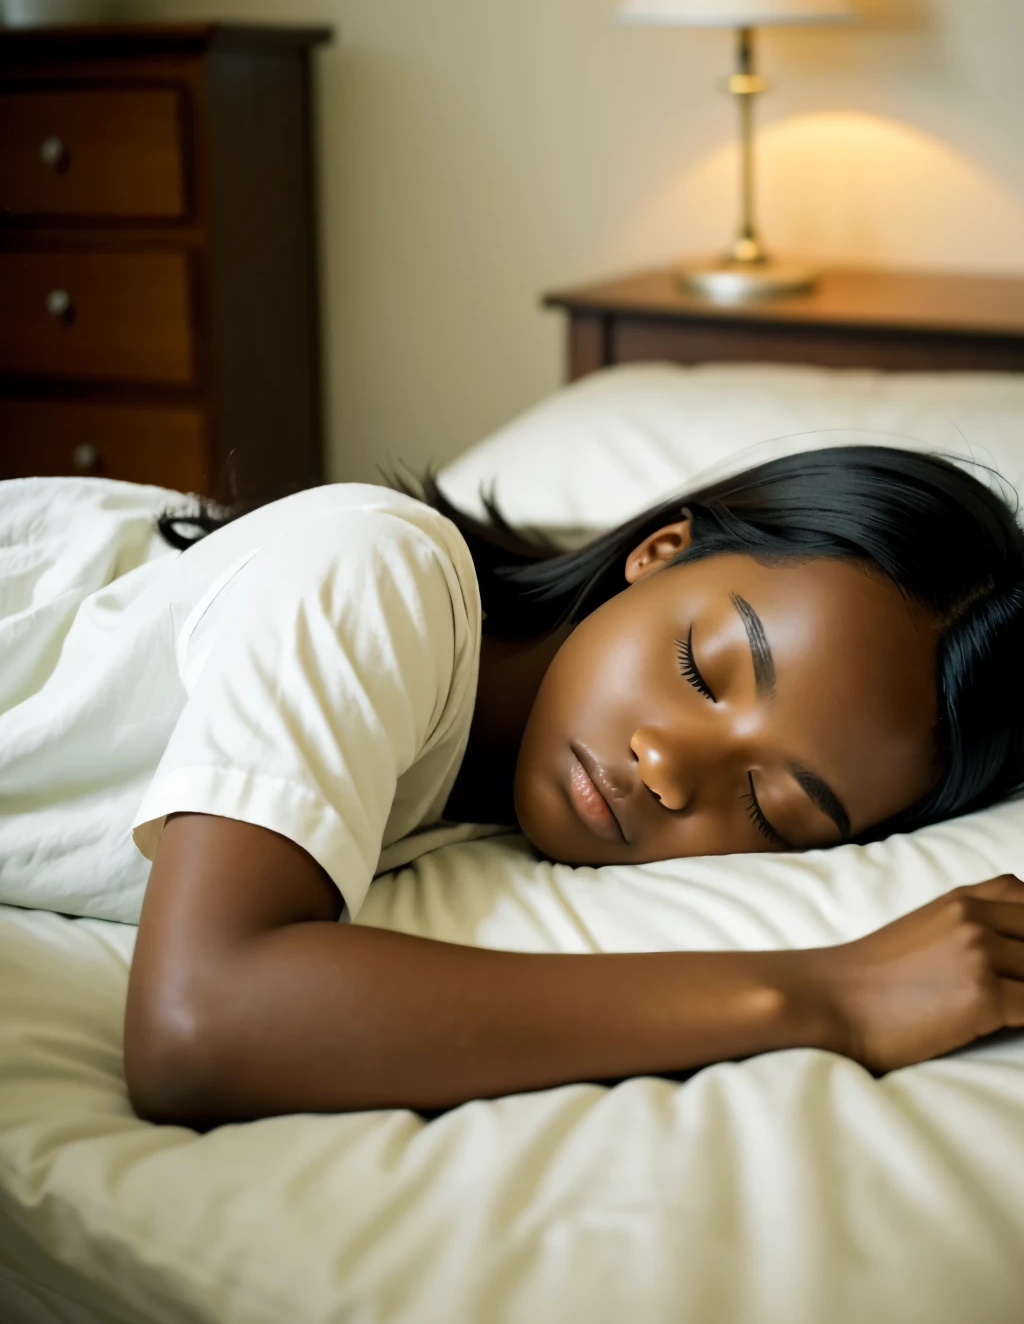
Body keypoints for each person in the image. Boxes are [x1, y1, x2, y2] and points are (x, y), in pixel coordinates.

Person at [3, 447, 1024, 1127]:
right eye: (698, 671)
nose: (667, 770)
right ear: (659, 550)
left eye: (775, 809)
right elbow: (199, 1024)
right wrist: (831, 991)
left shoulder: (465, 789)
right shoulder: (377, 569)